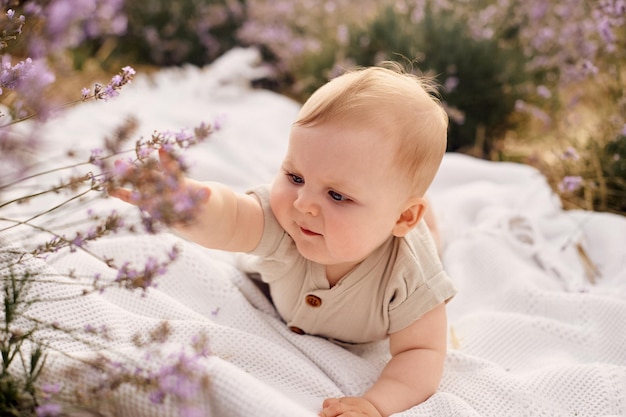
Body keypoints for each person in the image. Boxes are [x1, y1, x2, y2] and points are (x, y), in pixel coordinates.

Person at [110, 63, 457, 417]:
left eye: (337, 196)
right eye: (294, 176)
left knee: (430, 241)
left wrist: (375, 404)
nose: (304, 204)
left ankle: (429, 225)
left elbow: (422, 354)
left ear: (401, 218)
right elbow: (230, 217)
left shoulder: (410, 276)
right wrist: (187, 206)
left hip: (408, 247)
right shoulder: (285, 219)